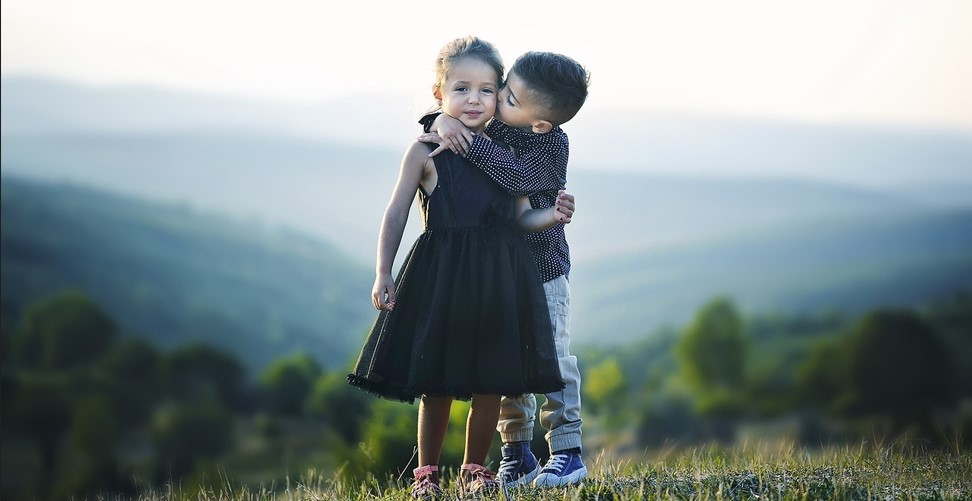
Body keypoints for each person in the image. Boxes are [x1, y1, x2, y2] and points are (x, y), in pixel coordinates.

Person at [346, 36, 574, 500]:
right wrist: (383, 271)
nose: (475, 99)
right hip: (443, 280)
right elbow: (396, 212)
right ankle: (426, 476)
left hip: (498, 282)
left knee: (493, 380)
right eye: (462, 89)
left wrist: (551, 216)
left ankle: (477, 472)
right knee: (437, 381)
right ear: (439, 94)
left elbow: (520, 215)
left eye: (488, 90)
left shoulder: (501, 151)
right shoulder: (426, 149)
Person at [417, 50, 591, 488]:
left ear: (540, 122)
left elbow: (513, 178)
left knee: (551, 356)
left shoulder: (550, 144)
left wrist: (463, 136)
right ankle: (517, 452)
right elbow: (457, 112)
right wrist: (440, 121)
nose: (494, 103)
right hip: (498, 272)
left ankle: (567, 451)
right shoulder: (499, 123)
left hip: (543, 269)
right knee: (506, 364)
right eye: (503, 89)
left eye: (506, 97)